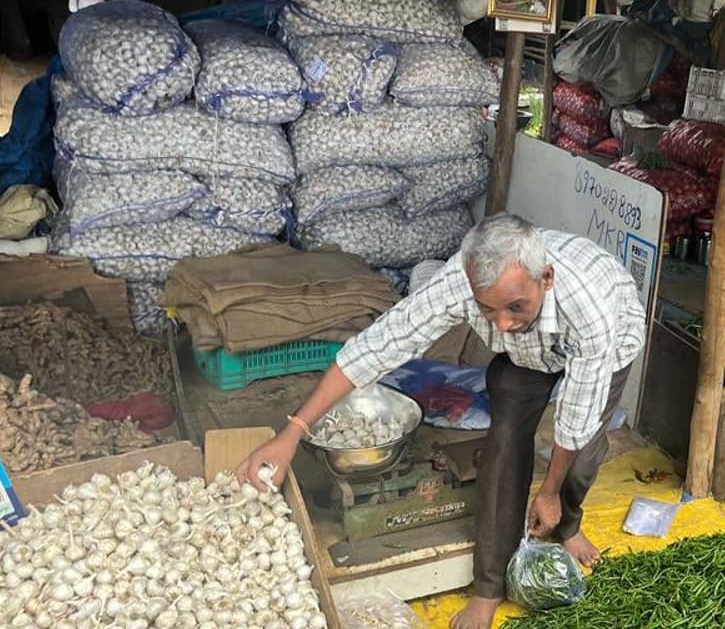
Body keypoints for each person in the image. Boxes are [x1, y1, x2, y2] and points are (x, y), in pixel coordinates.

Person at [236, 213, 647, 629]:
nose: (503, 324)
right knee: (503, 446)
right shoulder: (459, 283)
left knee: (581, 452)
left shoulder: (590, 312)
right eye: (488, 310)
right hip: (529, 358)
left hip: (610, 341)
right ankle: (488, 588)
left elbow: (575, 417)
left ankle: (568, 524)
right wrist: (293, 433)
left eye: (515, 307)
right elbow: (379, 345)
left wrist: (551, 490)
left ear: (547, 279)